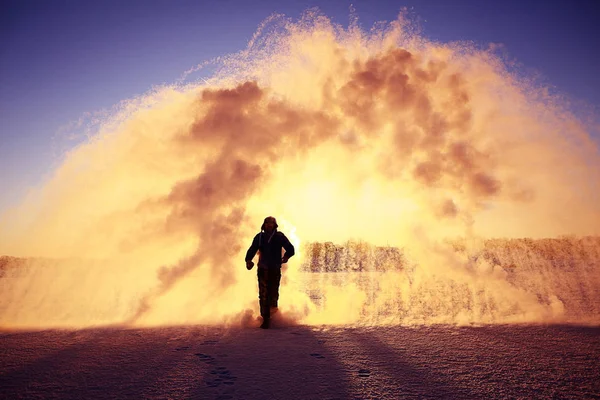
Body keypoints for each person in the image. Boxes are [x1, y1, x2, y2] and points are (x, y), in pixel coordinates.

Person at [245, 216, 295, 329]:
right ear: (264, 224)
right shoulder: (259, 237)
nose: (269, 225)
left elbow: (291, 248)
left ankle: (274, 317)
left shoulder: (279, 236)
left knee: (273, 293)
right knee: (263, 294)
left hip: (275, 269)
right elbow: (252, 249)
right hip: (262, 269)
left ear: (275, 225)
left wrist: (286, 256)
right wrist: (248, 260)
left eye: (271, 223)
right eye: (267, 223)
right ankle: (266, 319)